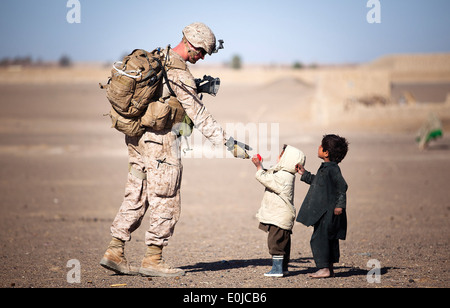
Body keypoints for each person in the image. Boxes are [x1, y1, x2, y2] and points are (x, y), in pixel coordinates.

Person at [100, 22, 250, 277]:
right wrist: (228, 143)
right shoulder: (178, 72)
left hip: (137, 138)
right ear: (190, 43)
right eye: (201, 51)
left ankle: (115, 250)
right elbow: (199, 115)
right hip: (160, 142)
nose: (201, 57)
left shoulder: (159, 57)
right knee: (166, 197)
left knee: (137, 192)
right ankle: (153, 259)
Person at [296, 134, 349, 278]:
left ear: (326, 152)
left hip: (328, 212)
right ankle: (329, 268)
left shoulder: (332, 169)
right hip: (324, 211)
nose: (318, 147)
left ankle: (324, 268)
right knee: (328, 238)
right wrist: (304, 174)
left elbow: (342, 186)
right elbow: (318, 183)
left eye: (321, 146)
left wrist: (340, 205)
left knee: (320, 239)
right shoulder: (326, 168)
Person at [252, 145, 306, 277]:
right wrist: (261, 166)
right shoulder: (285, 174)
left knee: (275, 243)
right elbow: (270, 175)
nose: (278, 157)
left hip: (279, 217)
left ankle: (277, 269)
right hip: (281, 216)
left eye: (281, 156)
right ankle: (284, 267)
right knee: (284, 243)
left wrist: (258, 167)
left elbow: (266, 179)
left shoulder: (284, 176)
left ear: (287, 160)